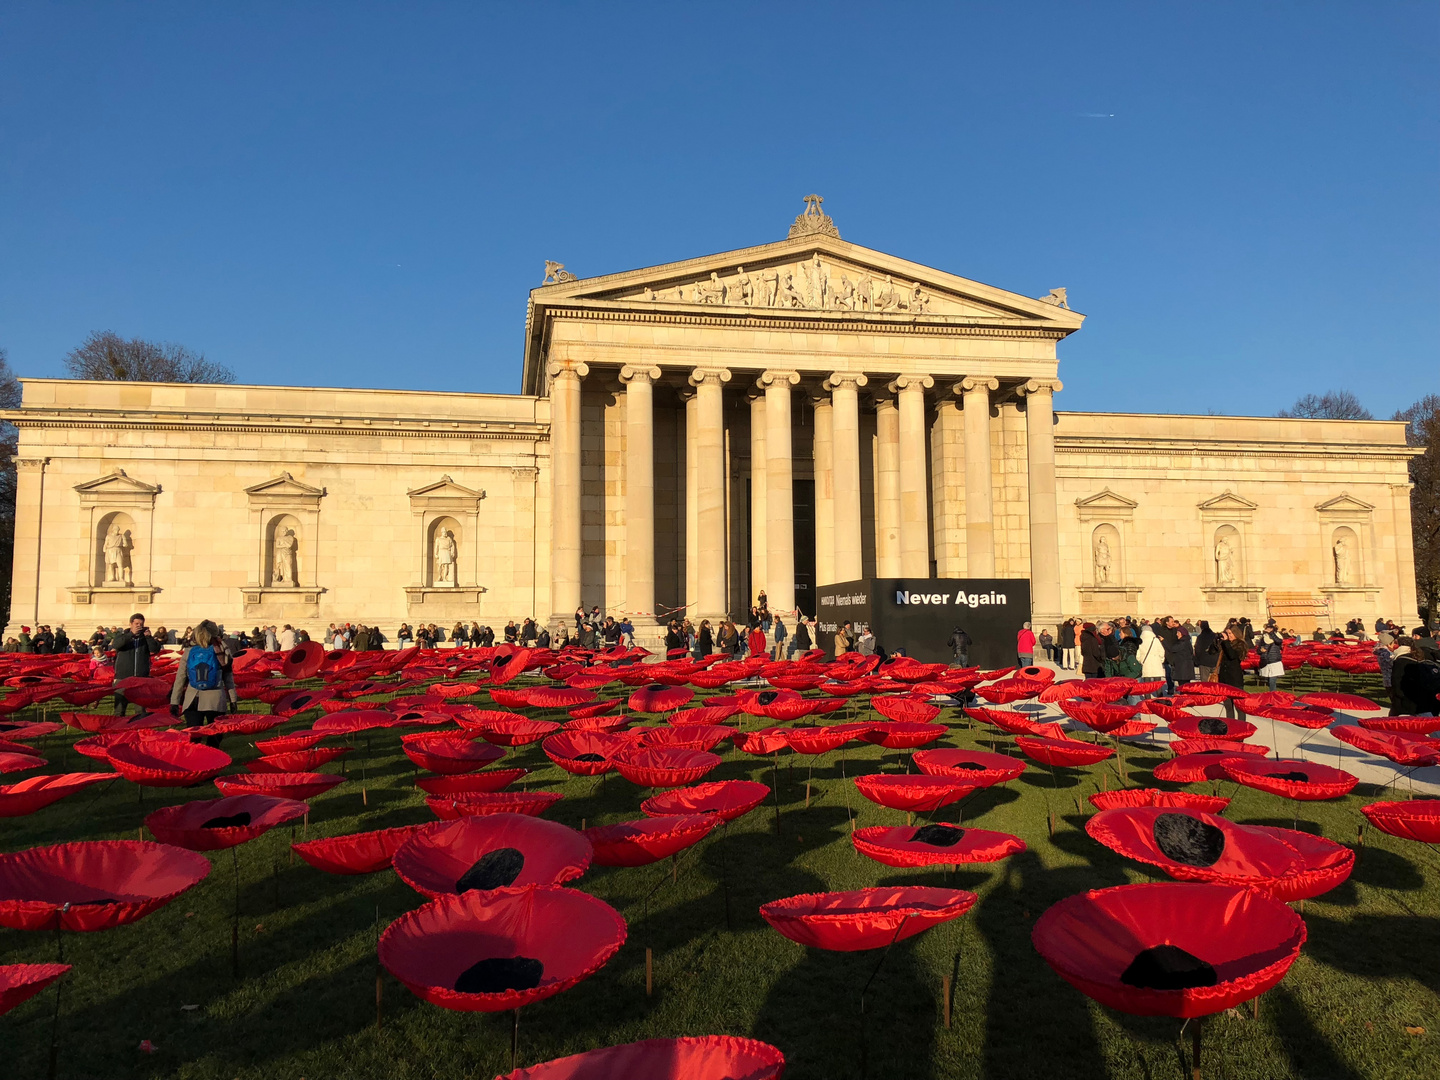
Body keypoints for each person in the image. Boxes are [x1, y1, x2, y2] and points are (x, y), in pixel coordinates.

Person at [168, 620, 237, 743]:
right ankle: (212, 759)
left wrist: (174, 701)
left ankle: (194, 760)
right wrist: (233, 700)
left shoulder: (189, 652)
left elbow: (180, 678)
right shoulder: (222, 652)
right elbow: (228, 678)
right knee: (215, 736)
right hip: (215, 698)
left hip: (192, 698)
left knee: (193, 737)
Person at [111, 613, 160, 716]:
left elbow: (154, 649)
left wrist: (149, 637)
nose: (138, 626)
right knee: (119, 709)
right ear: (131, 624)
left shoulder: (145, 638)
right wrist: (131, 634)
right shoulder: (123, 636)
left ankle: (140, 729)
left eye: (141, 624)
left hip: (140, 679)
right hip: (123, 677)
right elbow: (116, 645)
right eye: (136, 623)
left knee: (141, 710)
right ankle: (118, 730)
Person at [1156, 616, 1194, 695]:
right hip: (1167, 655)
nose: (1173, 623)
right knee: (1169, 673)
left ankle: (1182, 694)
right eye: (1172, 621)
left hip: (1177, 654)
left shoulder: (1176, 631)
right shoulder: (1161, 631)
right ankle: (1170, 688)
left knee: (1178, 676)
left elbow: (1177, 645)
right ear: (1167, 622)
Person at [1217, 626, 1248, 720]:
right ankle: (1230, 725)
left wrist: (1226, 642)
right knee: (1228, 706)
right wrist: (1217, 641)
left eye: (1230, 633)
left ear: (1235, 633)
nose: (1229, 636)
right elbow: (1212, 652)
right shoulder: (1225, 644)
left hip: (1234, 678)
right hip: (1224, 678)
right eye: (1227, 634)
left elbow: (1232, 655)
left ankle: (1241, 726)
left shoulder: (1240, 644)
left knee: (1239, 706)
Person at [1254, 620, 1285, 691]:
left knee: (1272, 680)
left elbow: (1278, 641)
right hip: (1266, 660)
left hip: (1274, 660)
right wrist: (1260, 650)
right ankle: (1272, 694)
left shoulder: (1277, 635)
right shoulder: (1264, 637)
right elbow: (1258, 649)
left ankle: (1272, 695)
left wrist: (1271, 633)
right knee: (1269, 680)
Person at [1136, 623, 1166, 689]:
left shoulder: (1140, 641)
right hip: (1156, 662)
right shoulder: (1155, 640)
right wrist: (1161, 659)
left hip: (1146, 663)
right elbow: (1161, 651)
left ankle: (1147, 698)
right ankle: (1160, 698)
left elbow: (1138, 654)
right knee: (1158, 684)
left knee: (1147, 684)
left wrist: (1141, 660)